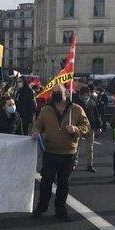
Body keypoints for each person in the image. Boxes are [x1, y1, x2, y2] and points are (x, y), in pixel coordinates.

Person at [32, 84, 90, 222]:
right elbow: (38, 124)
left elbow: (86, 126)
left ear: (66, 93)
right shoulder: (46, 110)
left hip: (68, 153)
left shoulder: (76, 109)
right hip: (50, 152)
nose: (56, 94)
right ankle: (42, 206)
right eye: (54, 92)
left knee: (63, 183)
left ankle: (60, 209)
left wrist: (76, 129)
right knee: (46, 181)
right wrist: (35, 131)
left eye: (59, 92)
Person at [73, 86, 102, 172]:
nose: (87, 95)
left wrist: (99, 126)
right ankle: (74, 163)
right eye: (85, 94)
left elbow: (96, 114)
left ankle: (90, 165)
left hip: (90, 127)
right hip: (79, 127)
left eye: (88, 94)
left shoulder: (92, 102)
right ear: (81, 94)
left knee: (90, 148)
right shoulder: (75, 102)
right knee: (76, 147)